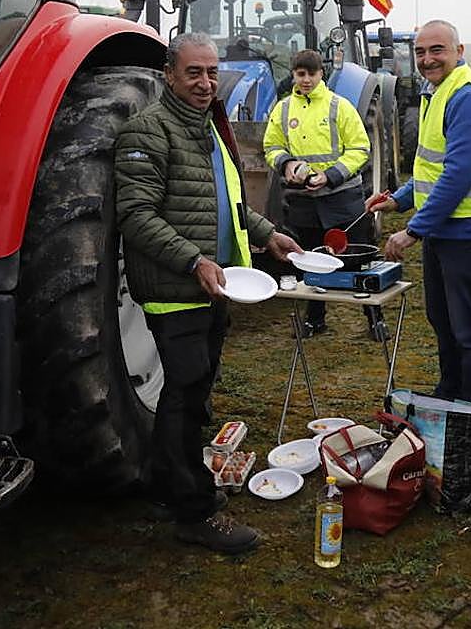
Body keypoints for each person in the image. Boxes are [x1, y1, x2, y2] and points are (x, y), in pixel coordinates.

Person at [115, 31, 301, 554]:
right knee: (184, 395)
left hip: (218, 287)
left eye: (211, 72)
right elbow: (135, 216)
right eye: (194, 73)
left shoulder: (210, 129)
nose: (205, 82)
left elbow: (227, 206)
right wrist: (192, 259)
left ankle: (162, 483)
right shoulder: (147, 132)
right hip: (178, 289)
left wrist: (268, 236)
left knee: (194, 394)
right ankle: (194, 512)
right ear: (170, 75)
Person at [367, 20, 471, 406]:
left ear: (459, 52)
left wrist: (411, 231)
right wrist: (398, 199)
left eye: (437, 50)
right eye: (420, 52)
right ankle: (449, 397)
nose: (427, 59)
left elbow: (459, 174)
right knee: (444, 323)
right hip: (445, 233)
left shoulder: (470, 98)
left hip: (470, 234)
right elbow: (434, 171)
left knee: (470, 332)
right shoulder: (438, 93)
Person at [262, 49, 386, 339]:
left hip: (342, 199)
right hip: (303, 202)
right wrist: (287, 163)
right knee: (309, 261)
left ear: (322, 75)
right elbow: (271, 147)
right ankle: (315, 319)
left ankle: (374, 318)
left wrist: (329, 176)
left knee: (358, 259)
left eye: (312, 74)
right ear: (293, 75)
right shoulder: (282, 110)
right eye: (300, 74)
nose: (306, 80)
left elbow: (359, 149)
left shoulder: (339, 107)